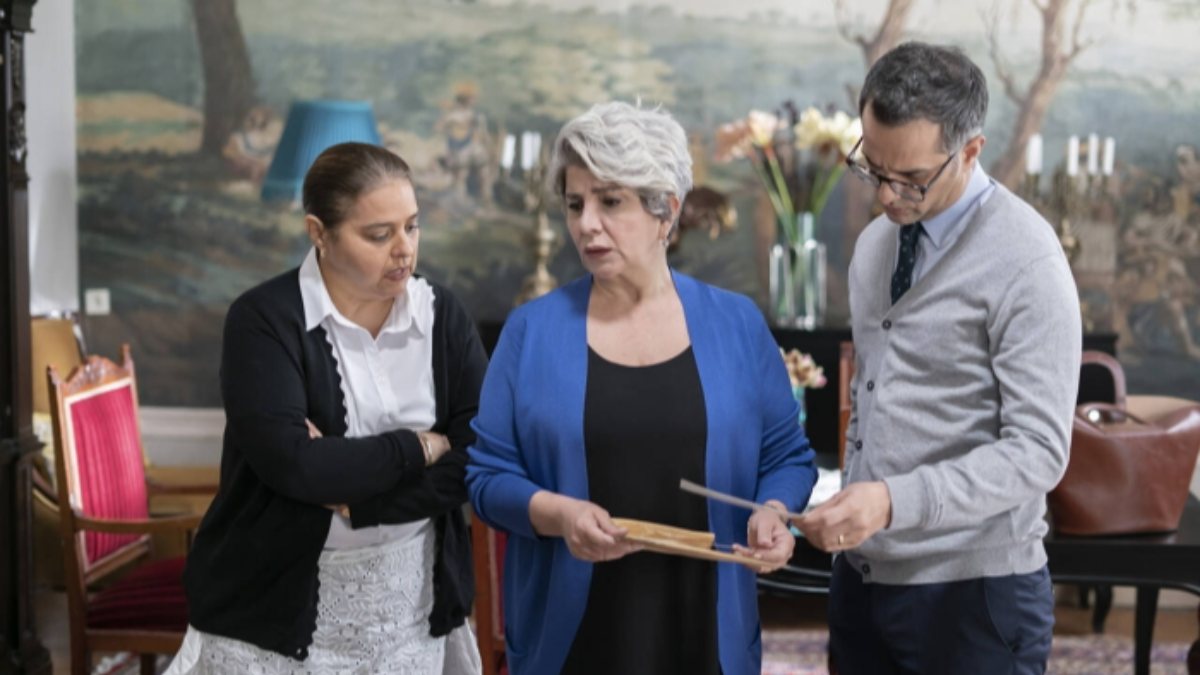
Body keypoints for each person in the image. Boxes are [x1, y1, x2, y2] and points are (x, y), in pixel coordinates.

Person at [466, 101, 817, 675]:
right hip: (573, 642)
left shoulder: (736, 323)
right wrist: (560, 515)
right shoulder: (530, 332)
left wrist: (774, 512)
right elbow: (487, 477)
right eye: (575, 204)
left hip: (706, 637)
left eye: (610, 202)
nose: (586, 223)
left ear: (666, 212)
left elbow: (787, 457)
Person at [793, 42, 1082, 674]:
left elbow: (1039, 451)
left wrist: (892, 502)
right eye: (872, 168)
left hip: (977, 598)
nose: (886, 196)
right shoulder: (876, 245)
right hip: (863, 581)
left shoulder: (1028, 262)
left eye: (911, 179)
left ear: (971, 151)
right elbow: (874, 398)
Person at [166, 142, 487, 673]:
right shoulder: (262, 321)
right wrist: (420, 447)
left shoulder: (442, 315)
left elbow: (479, 456)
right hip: (271, 610)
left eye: (412, 227)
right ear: (319, 233)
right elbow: (298, 468)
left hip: (411, 608)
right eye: (378, 235)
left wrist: (364, 502)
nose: (404, 250)